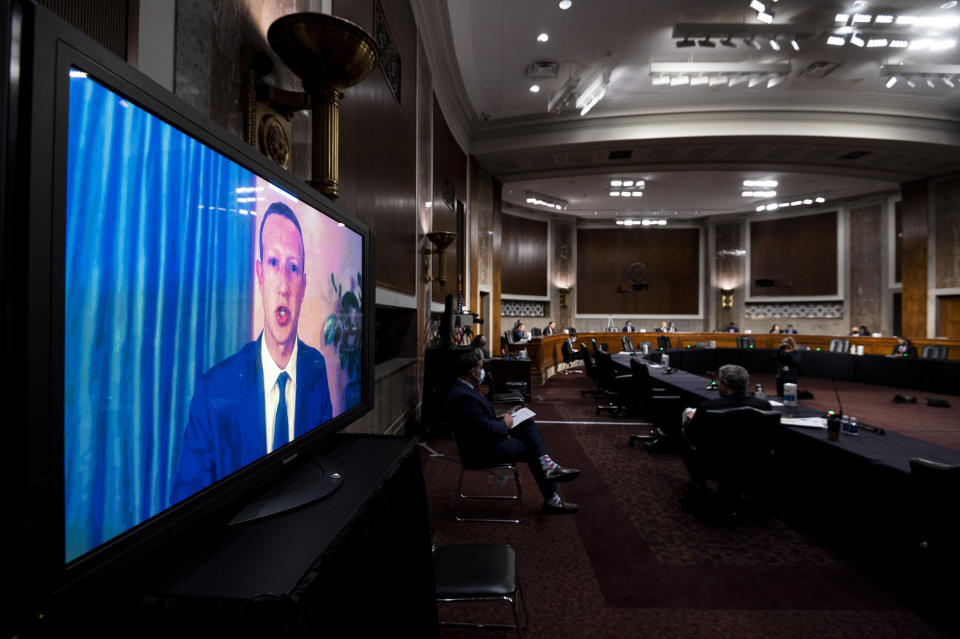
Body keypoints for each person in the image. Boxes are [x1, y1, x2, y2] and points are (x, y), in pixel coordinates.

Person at [172, 202, 333, 502]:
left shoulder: (316, 367)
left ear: (303, 284)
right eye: (273, 263)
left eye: (293, 267)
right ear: (259, 274)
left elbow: (327, 457)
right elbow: (186, 502)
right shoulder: (213, 391)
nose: (283, 284)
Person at [445, 351, 581, 514]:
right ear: (471, 371)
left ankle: (547, 466)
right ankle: (552, 495)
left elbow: (477, 423)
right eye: (480, 367)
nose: (483, 371)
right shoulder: (464, 396)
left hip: (484, 440)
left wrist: (499, 419)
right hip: (481, 450)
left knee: (526, 423)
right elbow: (484, 430)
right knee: (531, 449)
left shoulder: (464, 389)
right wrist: (504, 424)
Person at [680, 364, 771, 492]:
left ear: (723, 383)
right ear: (746, 383)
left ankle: (699, 483)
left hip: (713, 461)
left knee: (684, 431)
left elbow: (693, 436)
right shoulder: (764, 406)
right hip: (752, 460)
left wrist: (688, 421)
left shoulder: (708, 407)